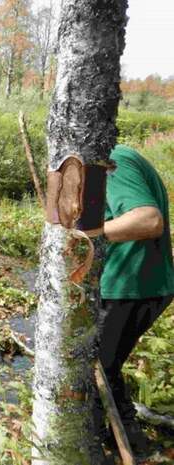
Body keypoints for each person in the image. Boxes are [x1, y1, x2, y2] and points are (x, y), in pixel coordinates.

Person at [98, 144, 174, 451]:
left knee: (93, 371)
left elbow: (148, 219)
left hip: (131, 285)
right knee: (106, 365)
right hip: (136, 284)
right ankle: (123, 437)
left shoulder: (112, 161)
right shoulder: (113, 162)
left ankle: (124, 443)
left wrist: (89, 235)